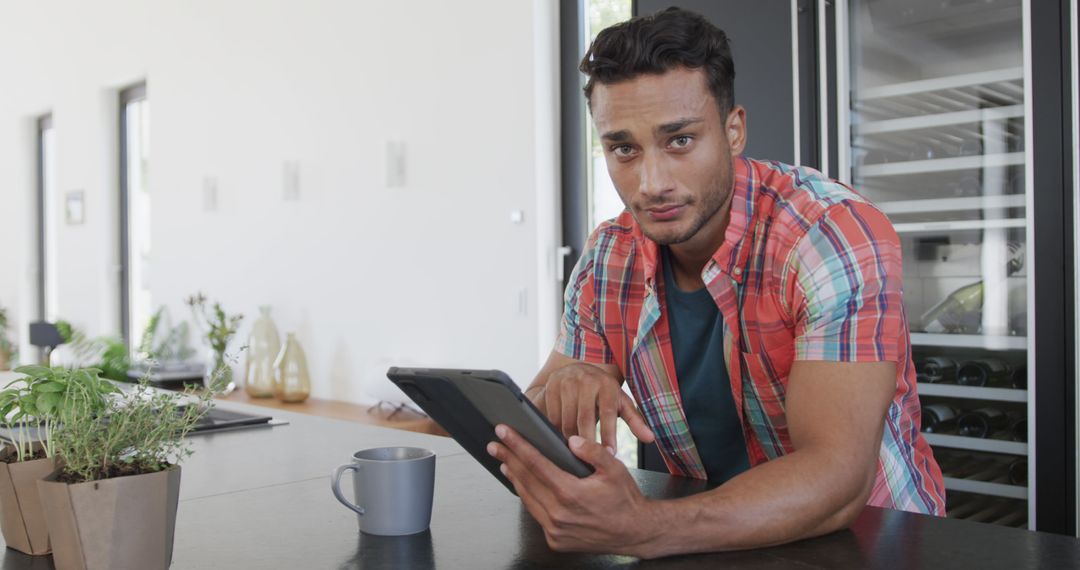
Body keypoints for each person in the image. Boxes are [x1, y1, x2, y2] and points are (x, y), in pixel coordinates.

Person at [485, 7, 945, 558]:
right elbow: (522, 428)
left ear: (733, 131)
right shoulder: (611, 254)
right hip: (704, 538)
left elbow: (838, 478)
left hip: (871, 541)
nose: (651, 183)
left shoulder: (831, 236)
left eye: (678, 140)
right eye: (623, 148)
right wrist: (563, 390)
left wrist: (645, 528)